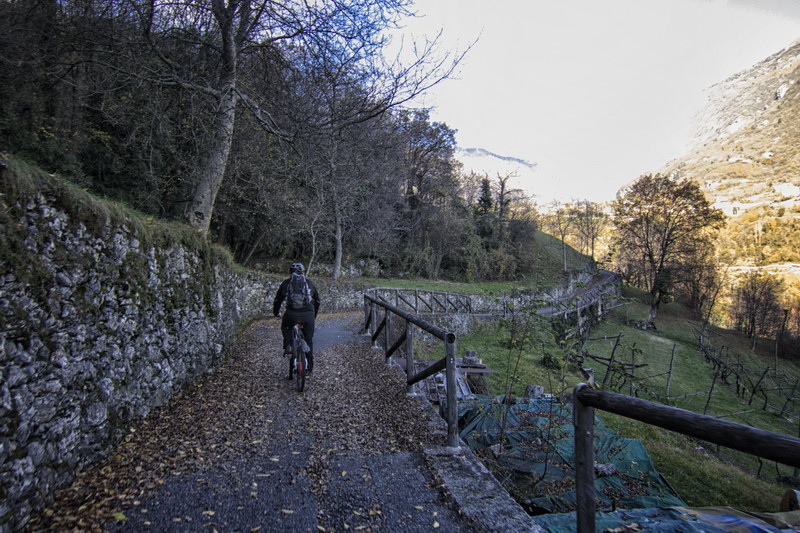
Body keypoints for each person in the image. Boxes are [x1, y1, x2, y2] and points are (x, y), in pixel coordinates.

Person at [273, 262, 320, 375]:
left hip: (291, 314)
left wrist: (276, 313)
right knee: (308, 340)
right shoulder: (309, 283)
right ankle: (309, 367)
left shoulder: (286, 283)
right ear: (303, 272)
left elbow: (278, 299)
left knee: (285, 325)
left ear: (290, 272)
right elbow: (317, 301)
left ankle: (289, 344)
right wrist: (314, 316)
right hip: (308, 315)